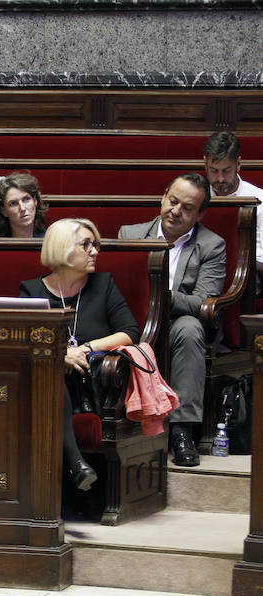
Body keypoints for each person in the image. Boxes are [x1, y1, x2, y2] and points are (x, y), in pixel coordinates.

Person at [21, 218, 140, 491]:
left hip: (92, 384)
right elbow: (27, 342)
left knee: (50, 376)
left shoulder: (103, 285)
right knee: (49, 373)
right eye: (86, 244)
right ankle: (76, 464)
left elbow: (130, 331)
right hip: (49, 381)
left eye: (95, 244)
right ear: (62, 248)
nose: (94, 251)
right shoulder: (31, 291)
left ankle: (73, 465)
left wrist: (86, 349)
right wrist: (59, 355)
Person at [118, 173, 226, 467]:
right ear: (164, 196)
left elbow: (204, 301)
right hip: (133, 320)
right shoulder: (130, 234)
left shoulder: (212, 245)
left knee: (191, 329)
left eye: (187, 208)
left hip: (176, 322)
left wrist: (165, 296)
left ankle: (182, 433)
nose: (175, 211)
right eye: (172, 201)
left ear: (201, 213)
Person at [203, 131, 263, 277]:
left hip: (246, 272)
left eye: (226, 171)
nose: (220, 178)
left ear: (238, 164)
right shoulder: (195, 196)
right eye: (214, 170)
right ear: (205, 164)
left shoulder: (259, 199)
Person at [0, 173, 48, 238]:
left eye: (26, 199)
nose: (22, 208)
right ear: (4, 211)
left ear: (35, 201)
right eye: (13, 203)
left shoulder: (50, 239)